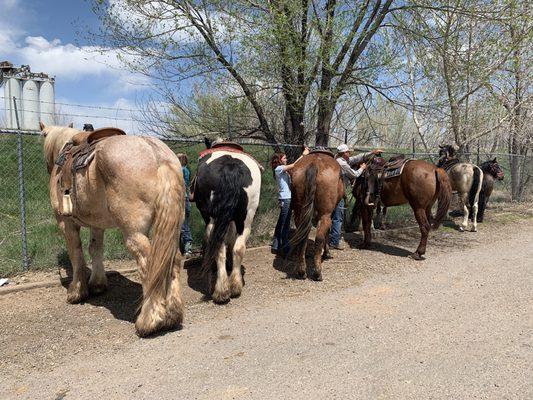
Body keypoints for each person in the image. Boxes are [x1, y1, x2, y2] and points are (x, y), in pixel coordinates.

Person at [329, 144, 383, 250]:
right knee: (337, 218)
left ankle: (330, 239)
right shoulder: (341, 163)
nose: (350, 153)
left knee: (334, 217)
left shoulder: (339, 159)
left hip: (335, 192)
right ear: (344, 153)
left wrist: (372, 152)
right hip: (337, 193)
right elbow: (353, 174)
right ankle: (334, 242)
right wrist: (362, 168)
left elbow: (356, 158)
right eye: (348, 152)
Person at [270, 146, 310, 255]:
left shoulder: (282, 170)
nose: (286, 159)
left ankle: (277, 245)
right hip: (285, 199)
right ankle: (284, 247)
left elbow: (292, 167)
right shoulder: (278, 169)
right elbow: (294, 165)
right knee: (284, 223)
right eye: (284, 158)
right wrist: (303, 155)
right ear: (279, 160)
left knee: (282, 222)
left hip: (287, 199)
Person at [177, 153, 193, 256]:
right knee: (185, 225)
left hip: (181, 199)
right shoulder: (186, 170)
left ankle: (185, 248)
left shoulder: (180, 170)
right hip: (185, 198)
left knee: (181, 226)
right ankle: (187, 249)